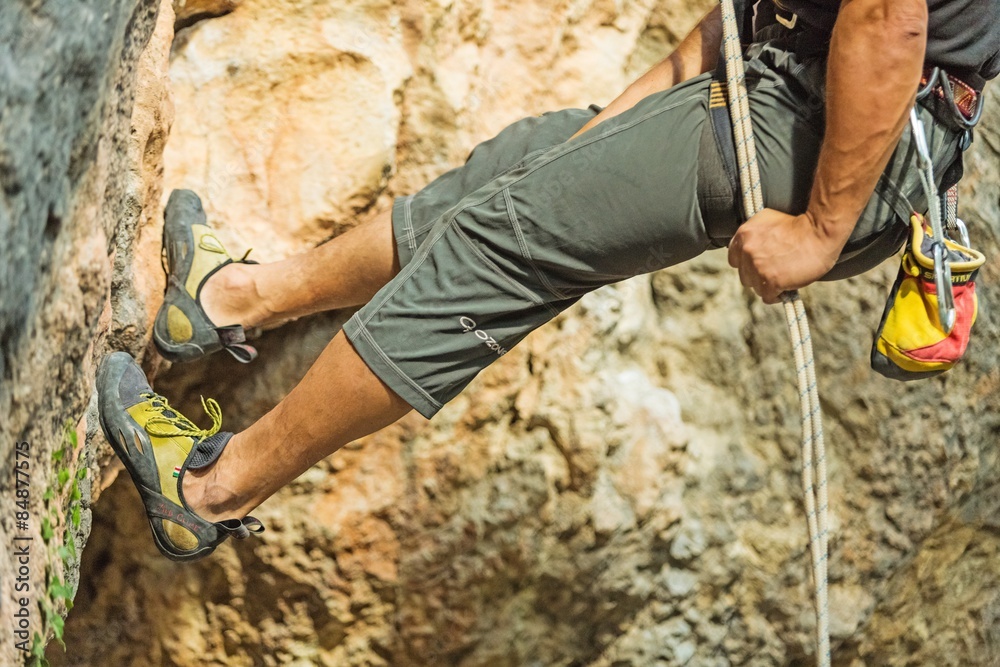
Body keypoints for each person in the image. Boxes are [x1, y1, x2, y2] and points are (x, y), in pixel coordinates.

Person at [97, 0, 999, 560]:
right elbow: (753, 9)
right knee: (528, 168)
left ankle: (211, 489)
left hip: (830, 123)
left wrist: (821, 231)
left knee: (502, 243)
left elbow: (888, 19)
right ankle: (225, 300)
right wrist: (598, 133)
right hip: (787, 83)